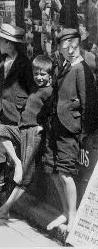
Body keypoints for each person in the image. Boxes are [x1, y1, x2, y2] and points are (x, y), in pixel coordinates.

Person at [42, 27, 98, 235]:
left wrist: (83, 132)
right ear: (61, 48)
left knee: (65, 173)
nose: (71, 50)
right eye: (66, 46)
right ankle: (65, 211)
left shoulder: (81, 69)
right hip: (55, 126)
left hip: (69, 130)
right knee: (53, 170)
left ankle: (73, 217)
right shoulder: (63, 66)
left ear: (79, 45)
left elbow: (89, 104)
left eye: (74, 46)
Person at [0, 54, 53, 220]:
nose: (38, 77)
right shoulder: (36, 88)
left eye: (43, 74)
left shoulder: (50, 91)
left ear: (50, 75)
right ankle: (17, 162)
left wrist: (42, 127)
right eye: (36, 73)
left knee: (24, 177)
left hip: (33, 133)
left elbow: (52, 113)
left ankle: (4, 210)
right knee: (0, 130)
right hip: (22, 129)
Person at [0, 23, 34, 202]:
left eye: (1, 40)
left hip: (16, 111)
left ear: (10, 43)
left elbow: (30, 89)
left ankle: (6, 188)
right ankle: (0, 183)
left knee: (12, 149)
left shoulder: (24, 64)